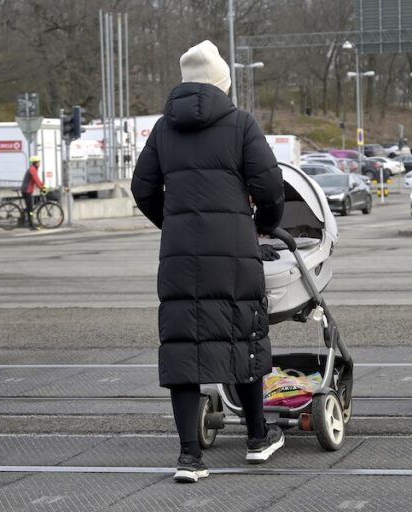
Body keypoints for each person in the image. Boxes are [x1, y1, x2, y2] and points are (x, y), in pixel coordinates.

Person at [131, 40, 286, 484]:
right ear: (223, 82)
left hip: (179, 254)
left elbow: (142, 189)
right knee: (245, 334)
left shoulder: (164, 128)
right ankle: (257, 439)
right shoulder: (239, 123)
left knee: (183, 346)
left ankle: (189, 457)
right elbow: (270, 186)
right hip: (235, 249)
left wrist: (173, 223)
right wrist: (263, 225)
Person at [19, 155, 46, 230]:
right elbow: (36, 180)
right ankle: (31, 225)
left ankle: (27, 218)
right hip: (26, 190)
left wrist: (43, 186)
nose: (40, 163)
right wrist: (42, 188)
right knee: (30, 209)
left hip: (28, 190)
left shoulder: (34, 169)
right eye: (39, 162)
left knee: (30, 206)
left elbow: (37, 180)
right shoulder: (32, 169)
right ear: (35, 163)